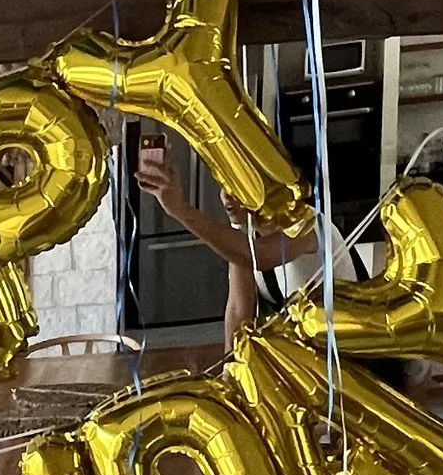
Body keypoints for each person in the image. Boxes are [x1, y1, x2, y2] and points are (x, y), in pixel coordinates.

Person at [132, 132, 359, 346]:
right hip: (305, 358)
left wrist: (178, 209)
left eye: (237, 185)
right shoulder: (246, 230)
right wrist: (229, 372)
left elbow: (258, 256)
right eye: (224, 185)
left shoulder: (308, 223)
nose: (227, 196)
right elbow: (240, 308)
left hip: (345, 362)